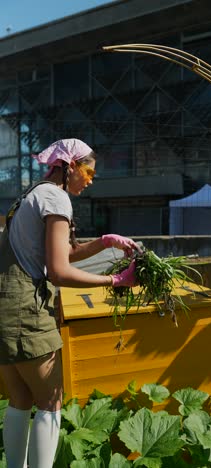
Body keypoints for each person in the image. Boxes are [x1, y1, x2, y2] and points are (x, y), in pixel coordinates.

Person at [0, 138, 141, 468]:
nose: (91, 180)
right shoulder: (56, 197)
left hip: (4, 307)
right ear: (71, 166)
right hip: (26, 311)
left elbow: (60, 254)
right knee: (51, 402)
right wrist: (115, 281)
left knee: (19, 399)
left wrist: (105, 243)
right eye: (89, 171)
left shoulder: (30, 196)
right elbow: (60, 271)